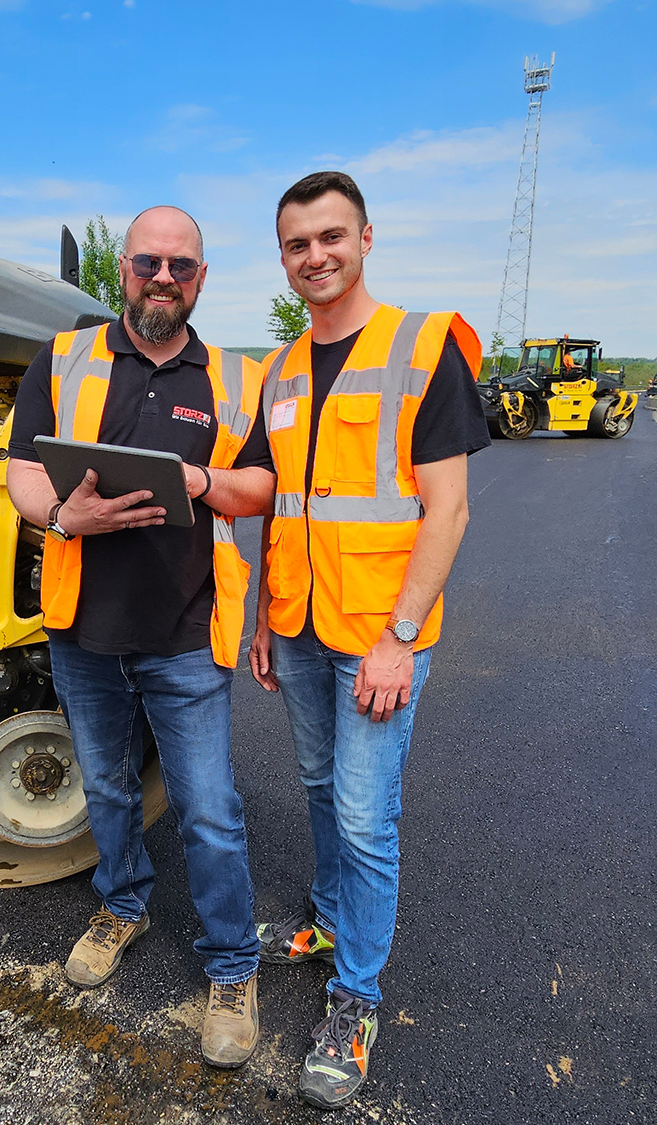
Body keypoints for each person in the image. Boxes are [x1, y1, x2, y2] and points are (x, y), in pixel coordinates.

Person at [5, 205, 275, 1069]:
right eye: (148, 263)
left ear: (203, 278)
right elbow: (17, 467)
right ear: (121, 269)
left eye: (182, 267)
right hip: (84, 627)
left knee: (209, 810)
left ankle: (233, 966)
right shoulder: (65, 356)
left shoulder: (238, 378)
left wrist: (200, 479)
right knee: (111, 791)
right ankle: (122, 905)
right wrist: (61, 513)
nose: (164, 279)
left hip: (186, 627)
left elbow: (261, 487)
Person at [248, 171, 490, 1110]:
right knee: (317, 787)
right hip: (303, 623)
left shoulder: (421, 348)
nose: (316, 256)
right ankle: (329, 918)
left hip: (378, 636)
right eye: (298, 244)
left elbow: (449, 506)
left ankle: (356, 999)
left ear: (366, 238)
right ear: (284, 257)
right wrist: (268, 613)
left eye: (331, 237)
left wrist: (397, 637)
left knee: (362, 814)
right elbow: (279, 500)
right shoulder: (279, 370)